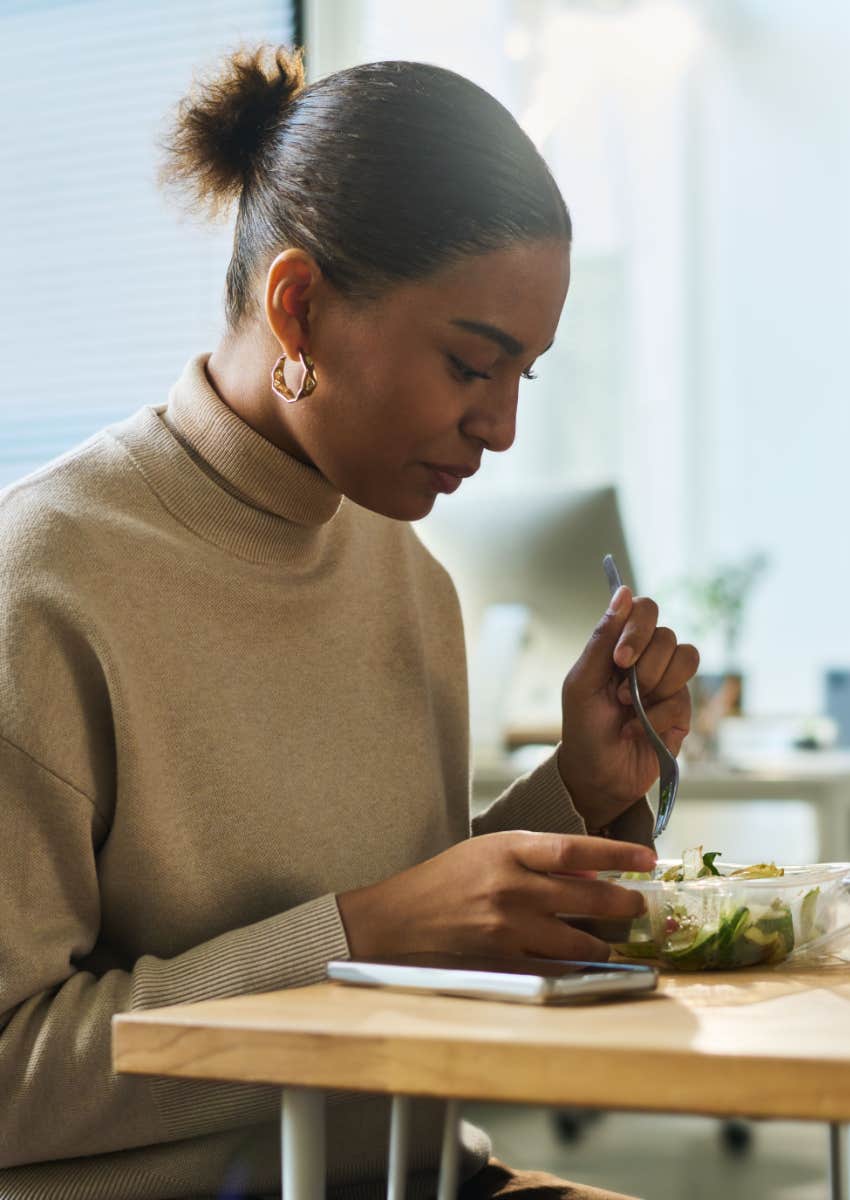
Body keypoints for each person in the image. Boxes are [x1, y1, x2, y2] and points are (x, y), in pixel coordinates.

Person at [0, 44, 698, 1200]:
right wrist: (357, 936)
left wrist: (573, 788)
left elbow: (406, 906)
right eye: (474, 363)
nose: (502, 429)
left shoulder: (407, 576)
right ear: (298, 307)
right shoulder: (43, 586)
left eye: (525, 374)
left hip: (421, 1178)